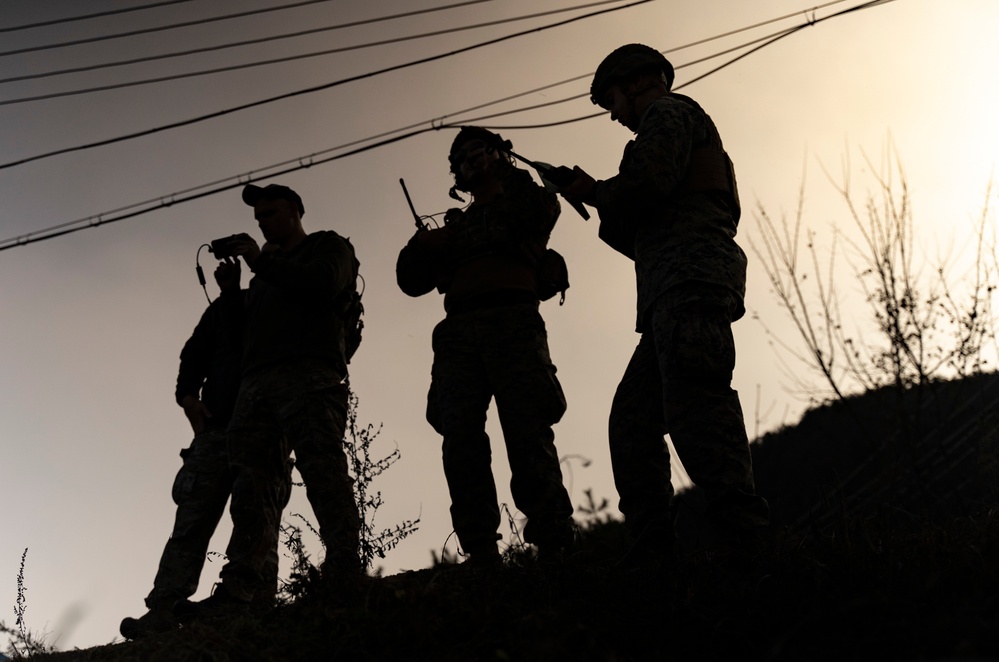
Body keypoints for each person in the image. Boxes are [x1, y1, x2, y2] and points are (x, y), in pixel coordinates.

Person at [560, 44, 769, 557]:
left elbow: (647, 185)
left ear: (637, 83)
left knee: (697, 408)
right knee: (633, 422)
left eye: (612, 99)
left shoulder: (671, 114)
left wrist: (592, 189)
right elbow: (638, 232)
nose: (613, 114)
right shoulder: (673, 125)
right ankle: (655, 562)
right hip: (670, 289)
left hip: (689, 281)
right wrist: (592, 194)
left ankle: (753, 552)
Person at [178, 183, 362, 619]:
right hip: (256, 388)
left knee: (323, 472)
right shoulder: (262, 279)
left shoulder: (327, 246)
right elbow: (242, 338)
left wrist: (263, 264)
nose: (264, 223)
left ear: (297, 211)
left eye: (272, 213)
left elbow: (322, 284)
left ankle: (344, 574)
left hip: (310, 373)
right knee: (251, 490)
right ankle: (239, 593)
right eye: (259, 218)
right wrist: (232, 291)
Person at [396, 127, 575, 565]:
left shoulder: (527, 198)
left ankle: (554, 542)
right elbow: (409, 280)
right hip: (458, 335)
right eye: (460, 159)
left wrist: (506, 168)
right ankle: (480, 550)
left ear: (498, 154)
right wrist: (422, 244)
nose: (469, 162)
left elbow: (535, 214)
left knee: (527, 432)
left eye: (478, 153)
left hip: (513, 322)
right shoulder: (453, 225)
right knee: (460, 440)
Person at [119, 259, 291, 639]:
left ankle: (251, 608)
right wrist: (187, 398)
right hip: (217, 430)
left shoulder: (284, 295)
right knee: (191, 523)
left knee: (257, 519)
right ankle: (164, 611)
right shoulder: (224, 309)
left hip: (265, 428)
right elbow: (193, 355)